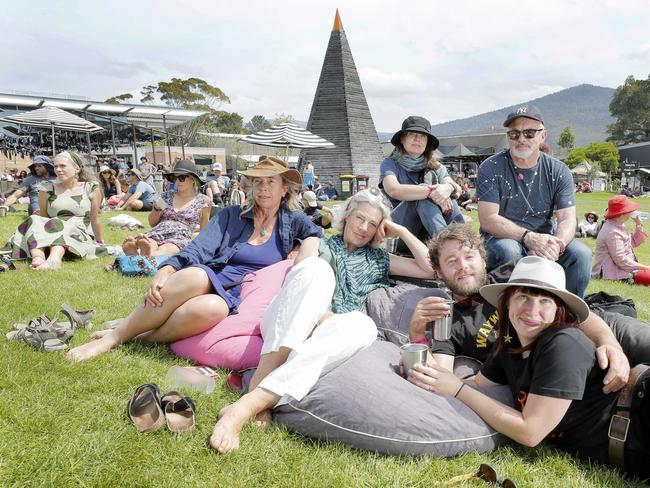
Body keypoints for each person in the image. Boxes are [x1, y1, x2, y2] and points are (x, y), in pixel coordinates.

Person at [210, 188, 435, 453]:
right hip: (291, 320)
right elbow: (297, 284)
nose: (364, 228)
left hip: (330, 335)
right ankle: (258, 390)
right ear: (347, 216)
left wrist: (402, 230)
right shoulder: (316, 243)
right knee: (317, 270)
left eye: (373, 224)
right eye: (360, 218)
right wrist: (319, 313)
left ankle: (251, 402)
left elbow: (430, 268)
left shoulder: (381, 260)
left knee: (364, 326)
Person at [408, 256, 650, 481]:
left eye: (544, 301)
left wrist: (458, 388)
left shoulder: (563, 343)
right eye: (523, 297)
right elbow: (464, 385)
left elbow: (530, 432)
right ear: (507, 301)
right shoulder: (509, 344)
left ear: (558, 309)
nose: (532, 311)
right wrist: (418, 334)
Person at [66, 156, 323, 362]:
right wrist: (166, 270)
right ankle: (113, 339)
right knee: (196, 275)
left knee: (213, 309)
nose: (263, 188)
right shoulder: (232, 215)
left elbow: (316, 234)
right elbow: (198, 248)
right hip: (214, 277)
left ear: (284, 188)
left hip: (241, 296)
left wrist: (305, 255)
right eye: (258, 182)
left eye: (271, 182)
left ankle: (142, 338)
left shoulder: (293, 221)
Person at [407, 223, 635, 390]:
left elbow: (578, 314)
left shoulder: (514, 274)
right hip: (564, 362)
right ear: (438, 273)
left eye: (469, 256)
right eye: (451, 261)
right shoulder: (448, 320)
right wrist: (417, 334)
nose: (463, 266)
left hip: (602, 326)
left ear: (483, 260)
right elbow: (441, 375)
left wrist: (609, 343)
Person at [475, 104, 591, 297]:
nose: (521, 139)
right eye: (514, 134)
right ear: (508, 137)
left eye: (529, 133)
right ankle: (504, 315)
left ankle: (567, 315)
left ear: (542, 136)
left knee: (581, 254)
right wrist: (529, 238)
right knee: (509, 250)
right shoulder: (491, 167)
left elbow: (568, 219)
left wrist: (558, 245)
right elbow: (488, 219)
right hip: (500, 239)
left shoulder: (559, 170)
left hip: (545, 239)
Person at [1, 151, 105, 270]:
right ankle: (38, 257)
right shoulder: (46, 188)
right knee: (35, 219)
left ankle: (54, 260)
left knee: (59, 224)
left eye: (62, 166)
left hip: (79, 231)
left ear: (76, 168)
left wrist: (100, 241)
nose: (58, 169)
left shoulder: (91, 187)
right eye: (56, 166)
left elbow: (94, 218)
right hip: (53, 227)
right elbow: (44, 218)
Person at [380, 116, 463, 244]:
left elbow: (457, 190)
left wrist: (449, 188)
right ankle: (448, 247)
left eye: (423, 136)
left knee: (449, 197)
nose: (417, 139)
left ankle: (464, 242)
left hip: (427, 232)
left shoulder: (436, 166)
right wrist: (431, 192)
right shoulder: (390, 163)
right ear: (402, 139)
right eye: (412, 134)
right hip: (398, 232)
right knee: (421, 198)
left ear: (427, 142)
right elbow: (394, 190)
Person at [121, 160, 211, 257]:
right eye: (174, 178)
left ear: (193, 179)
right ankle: (141, 253)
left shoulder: (204, 201)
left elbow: (204, 228)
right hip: (159, 230)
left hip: (180, 235)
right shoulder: (166, 196)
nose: (177, 181)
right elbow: (152, 223)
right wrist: (157, 209)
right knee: (149, 242)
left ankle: (143, 255)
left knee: (167, 248)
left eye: (181, 178)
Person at [592, 195, 650, 285]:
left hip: (622, 270)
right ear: (622, 213)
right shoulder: (612, 231)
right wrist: (645, 268)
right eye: (629, 210)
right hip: (611, 274)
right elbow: (621, 260)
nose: (632, 212)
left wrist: (638, 224)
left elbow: (632, 243)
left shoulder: (618, 225)